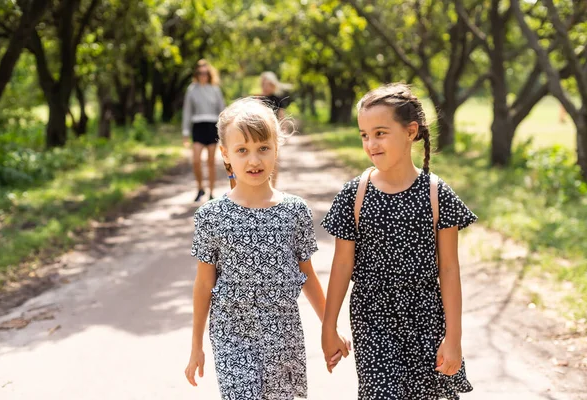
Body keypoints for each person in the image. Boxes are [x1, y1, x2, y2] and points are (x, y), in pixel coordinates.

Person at [185, 98, 348, 399]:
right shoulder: (211, 216)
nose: (254, 161)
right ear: (225, 154)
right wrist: (196, 346)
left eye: (263, 148)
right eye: (242, 151)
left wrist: (330, 328)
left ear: (277, 148)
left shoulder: (295, 211)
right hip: (232, 334)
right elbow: (204, 282)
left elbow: (306, 275)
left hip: (283, 336)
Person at [320, 83, 475, 399]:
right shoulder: (355, 195)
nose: (371, 143)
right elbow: (342, 265)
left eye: (380, 133)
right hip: (372, 318)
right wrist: (328, 327)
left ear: (410, 131)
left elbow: (448, 270)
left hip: (426, 319)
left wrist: (454, 338)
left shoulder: (436, 194)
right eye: (364, 135)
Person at [182, 59, 225, 202]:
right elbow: (187, 112)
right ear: (196, 74)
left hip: (212, 126)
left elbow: (222, 110)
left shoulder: (215, 89)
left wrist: (225, 131)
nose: (203, 76)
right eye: (200, 73)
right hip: (198, 127)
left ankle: (211, 192)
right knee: (195, 160)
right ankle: (200, 188)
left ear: (209, 74)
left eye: (205, 73)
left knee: (211, 161)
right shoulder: (191, 89)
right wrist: (185, 132)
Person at [258, 71, 292, 188]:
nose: (265, 87)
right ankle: (264, 186)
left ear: (273, 85)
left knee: (275, 161)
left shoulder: (278, 98)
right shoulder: (259, 99)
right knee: (262, 160)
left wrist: (284, 131)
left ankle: (273, 187)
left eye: (268, 84)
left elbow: (282, 116)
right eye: (263, 84)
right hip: (261, 132)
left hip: (274, 132)